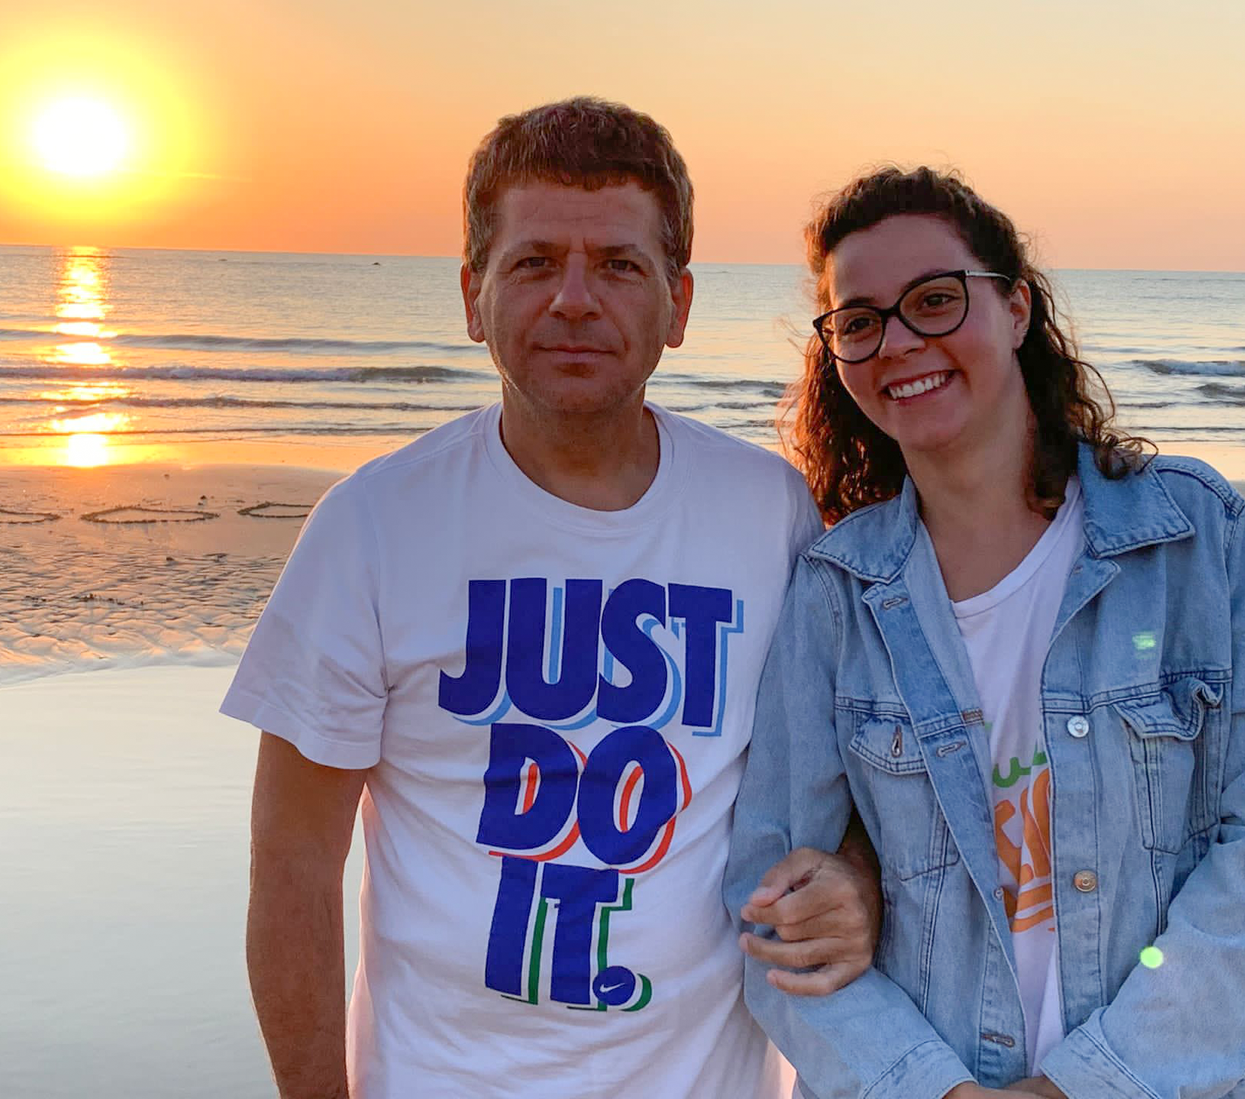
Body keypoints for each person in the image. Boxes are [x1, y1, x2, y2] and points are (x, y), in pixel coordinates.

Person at [221, 98, 879, 1099]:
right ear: (473, 296)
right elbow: (295, 862)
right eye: (533, 262)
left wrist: (858, 882)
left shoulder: (769, 514)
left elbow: (850, 786)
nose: (574, 299)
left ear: (680, 303)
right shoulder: (375, 525)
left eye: (619, 265)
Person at [725, 166, 1245, 1099]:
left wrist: (1082, 1085)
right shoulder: (833, 595)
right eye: (860, 321)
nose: (899, 342)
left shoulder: (1196, 542)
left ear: (1015, 308)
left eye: (935, 300)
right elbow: (775, 907)